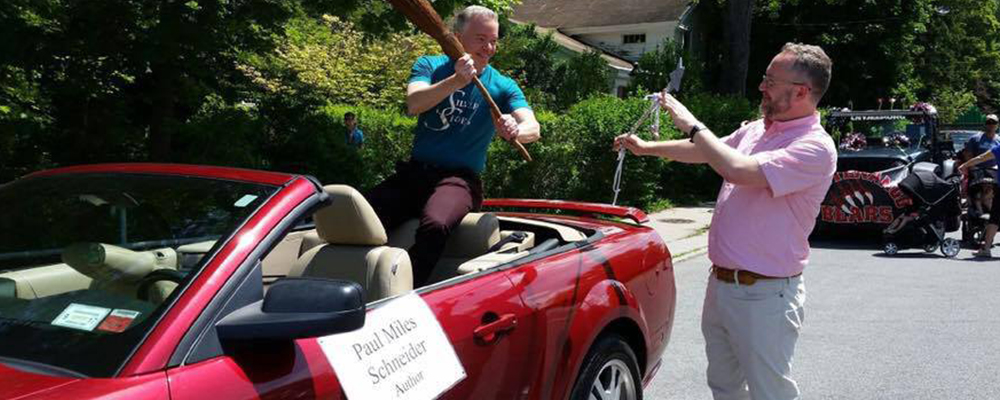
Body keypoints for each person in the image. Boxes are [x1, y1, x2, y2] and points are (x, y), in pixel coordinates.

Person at [614, 43, 836, 400]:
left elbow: (736, 169)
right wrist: (646, 147)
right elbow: (708, 151)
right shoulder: (758, 131)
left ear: (801, 92)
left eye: (770, 80)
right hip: (722, 285)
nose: (762, 86)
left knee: (770, 392)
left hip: (766, 294)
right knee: (725, 386)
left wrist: (691, 124)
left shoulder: (815, 147)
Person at [364, 5, 539, 286]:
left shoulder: (504, 86)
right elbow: (414, 103)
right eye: (481, 39)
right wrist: (457, 81)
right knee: (362, 215)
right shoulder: (429, 66)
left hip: (459, 181)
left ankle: (410, 290)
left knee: (436, 224)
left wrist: (516, 129)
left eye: (494, 40)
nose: (489, 47)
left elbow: (533, 128)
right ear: (457, 37)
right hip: (414, 174)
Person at [957, 120, 1000, 258]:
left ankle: (986, 249)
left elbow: (981, 158)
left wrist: (965, 165)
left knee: (995, 217)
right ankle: (986, 248)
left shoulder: (998, 148)